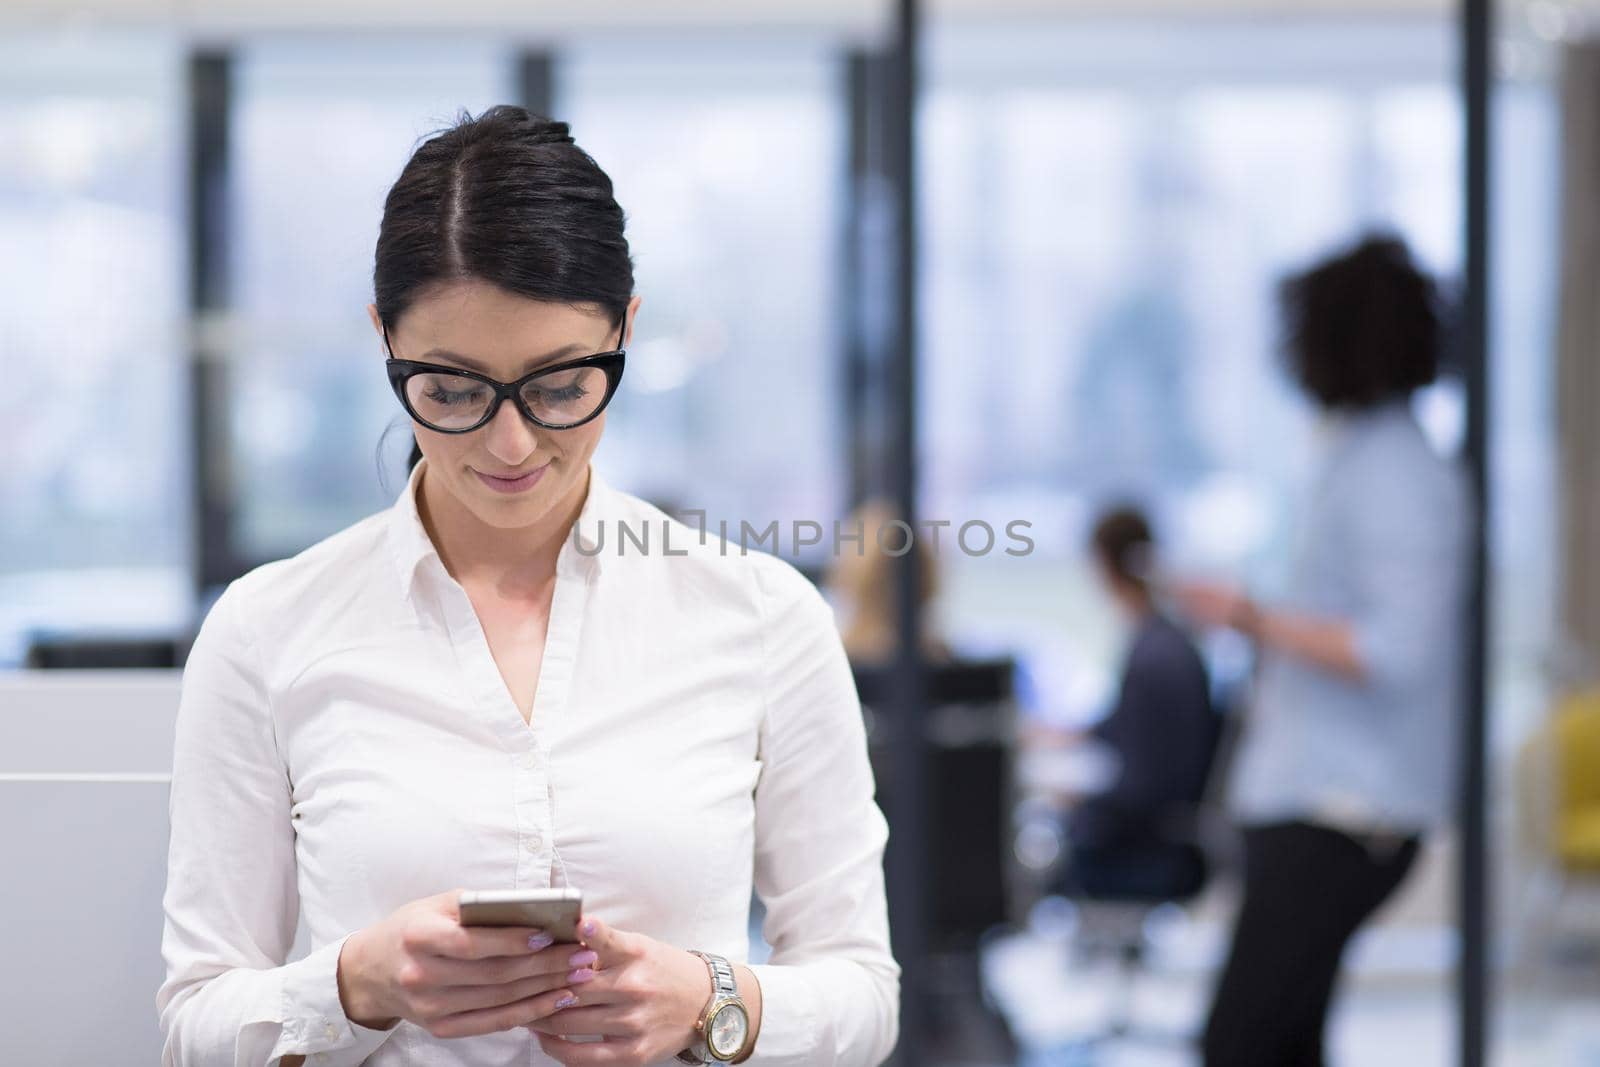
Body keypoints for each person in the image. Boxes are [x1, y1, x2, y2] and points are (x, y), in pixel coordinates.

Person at [156, 106, 899, 1067]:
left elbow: (864, 992)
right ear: (385, 339)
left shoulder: (759, 615)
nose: (511, 444)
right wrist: (356, 986)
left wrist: (711, 1001)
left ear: (625, 331)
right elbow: (192, 1023)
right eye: (455, 390)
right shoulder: (268, 629)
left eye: (558, 385)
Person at [1175, 234, 1471, 1067]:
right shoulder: (1366, 455)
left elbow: (1398, 648)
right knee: (1286, 1042)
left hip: (1345, 814)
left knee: (1239, 1042)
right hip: (1321, 801)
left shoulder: (1396, 474)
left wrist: (1251, 616)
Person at [1054, 506, 1215, 898]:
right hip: (1165, 835)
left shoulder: (1153, 659)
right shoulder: (1169, 642)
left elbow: (1145, 786)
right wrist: (1077, 735)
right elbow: (1134, 730)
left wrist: (1075, 801)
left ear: (1103, 566)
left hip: (1145, 848)